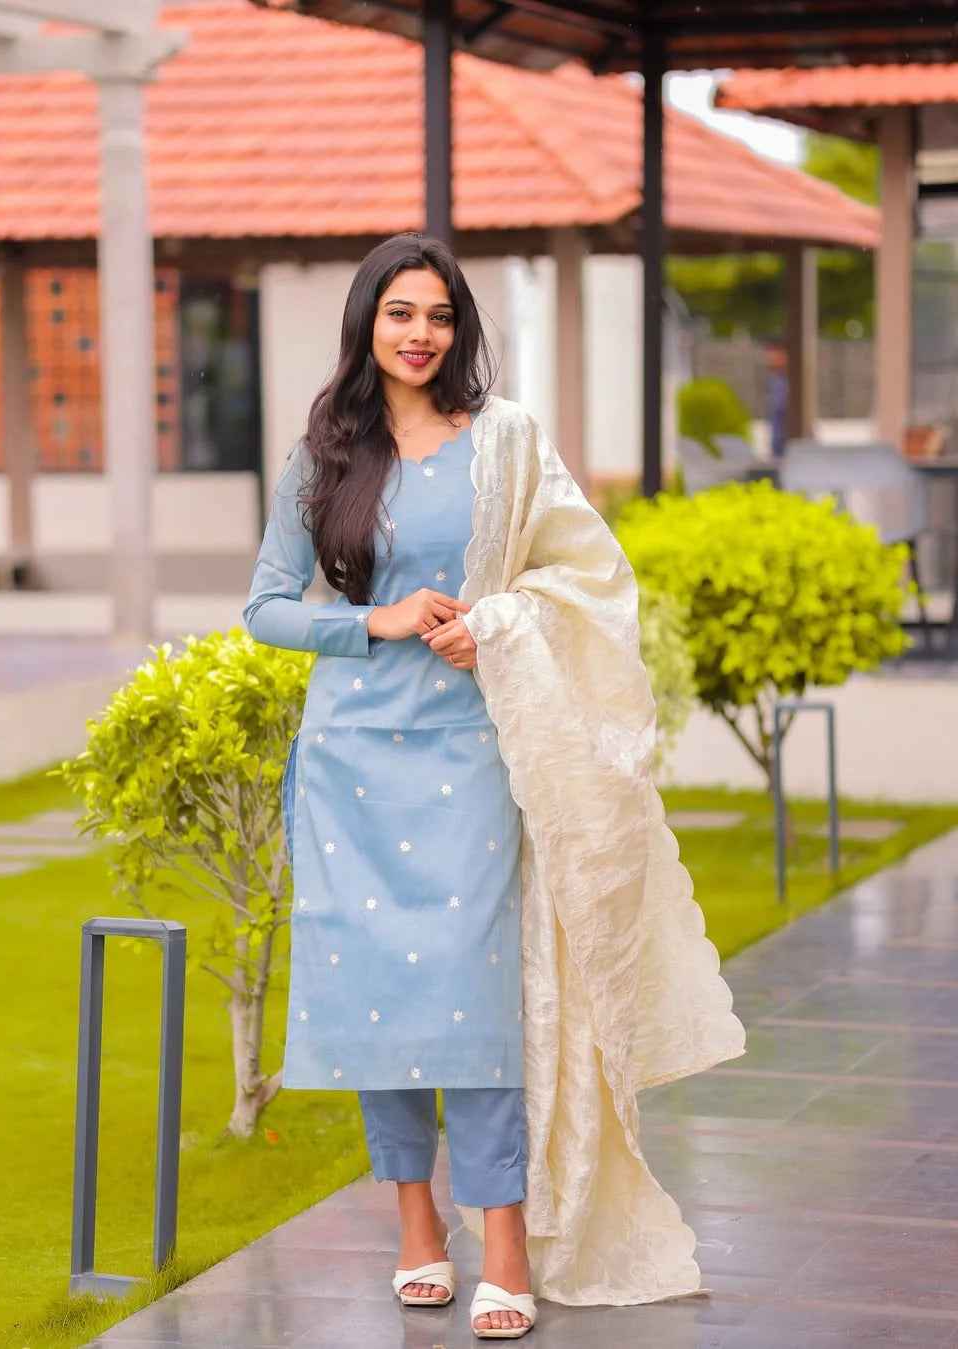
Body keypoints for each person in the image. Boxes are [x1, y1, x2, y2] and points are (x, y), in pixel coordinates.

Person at [243, 232, 746, 1338]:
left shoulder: (505, 441)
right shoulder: (324, 455)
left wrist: (502, 625)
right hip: (351, 761)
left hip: (472, 749)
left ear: (460, 328)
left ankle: (505, 1244)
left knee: (477, 1000)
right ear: (366, 323)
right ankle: (416, 1226)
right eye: (400, 313)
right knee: (380, 1002)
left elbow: (590, 574)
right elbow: (266, 607)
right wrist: (372, 620)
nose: (420, 334)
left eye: (439, 315)